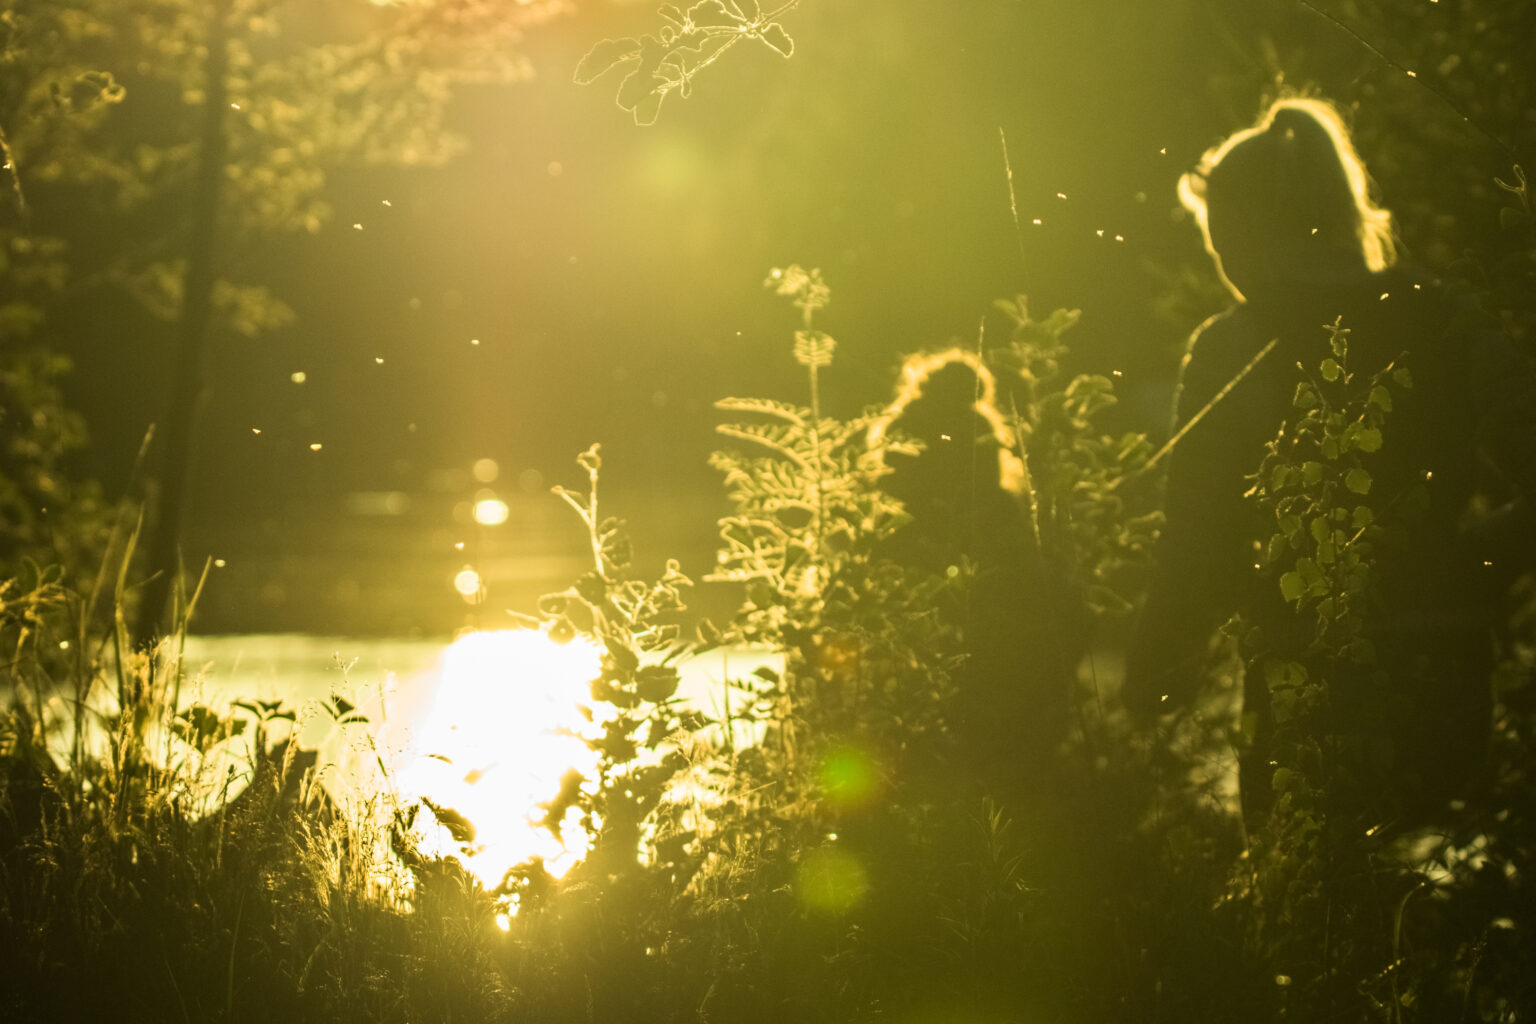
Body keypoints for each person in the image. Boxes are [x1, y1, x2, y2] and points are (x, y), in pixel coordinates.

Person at [1124, 97, 1535, 825]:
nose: (1220, 257)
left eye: (1219, 232)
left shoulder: (1236, 346)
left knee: (1310, 915)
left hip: (1303, 695)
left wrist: (1155, 674)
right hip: (1447, 685)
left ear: (1248, 228)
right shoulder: (1444, 314)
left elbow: (1194, 538)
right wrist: (1471, 564)